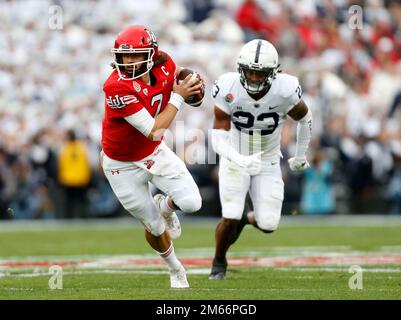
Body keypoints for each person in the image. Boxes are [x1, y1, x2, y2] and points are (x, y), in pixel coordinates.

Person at [100, 25, 202, 288]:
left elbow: (183, 83)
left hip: (153, 153)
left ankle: (165, 206)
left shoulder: (165, 63)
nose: (129, 61)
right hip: (120, 164)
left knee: (192, 203)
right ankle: (176, 269)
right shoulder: (115, 87)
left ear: (152, 54)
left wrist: (193, 86)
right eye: (124, 56)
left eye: (136, 55)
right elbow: (155, 130)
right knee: (155, 227)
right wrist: (179, 99)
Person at [209, 39, 312, 280]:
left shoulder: (285, 89)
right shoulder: (227, 86)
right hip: (235, 157)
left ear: (273, 73)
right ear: (240, 69)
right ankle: (219, 260)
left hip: (268, 161)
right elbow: (217, 137)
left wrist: (300, 154)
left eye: (260, 73)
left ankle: (247, 218)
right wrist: (238, 159)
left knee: (268, 224)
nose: (254, 78)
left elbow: (305, 118)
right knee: (230, 214)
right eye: (250, 71)